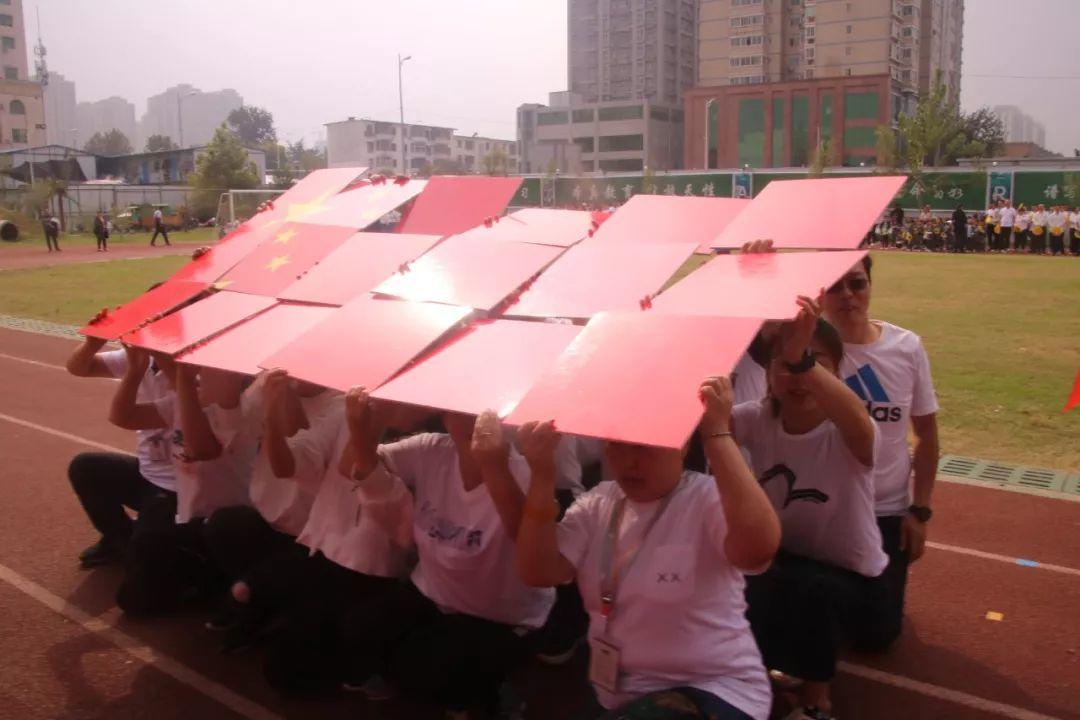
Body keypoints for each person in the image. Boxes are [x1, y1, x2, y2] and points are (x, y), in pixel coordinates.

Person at [500, 380, 779, 720]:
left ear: (681, 442)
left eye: (645, 446)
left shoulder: (706, 498)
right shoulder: (598, 503)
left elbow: (759, 547)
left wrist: (718, 434)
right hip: (618, 691)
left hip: (713, 687)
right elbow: (538, 571)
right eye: (617, 444)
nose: (630, 461)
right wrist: (542, 475)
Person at [313, 390, 555, 718]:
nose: (470, 416)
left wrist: (493, 467)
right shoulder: (432, 449)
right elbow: (350, 467)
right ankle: (437, 682)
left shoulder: (523, 470)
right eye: (459, 407)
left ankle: (490, 696)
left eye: (482, 408)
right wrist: (367, 423)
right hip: (433, 591)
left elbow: (525, 540)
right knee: (360, 628)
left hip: (500, 615)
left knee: (425, 669)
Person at [734, 300, 885, 720]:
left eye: (812, 361)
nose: (795, 375)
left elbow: (856, 417)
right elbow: (705, 425)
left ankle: (817, 699)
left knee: (813, 591)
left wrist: (800, 360)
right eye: (783, 364)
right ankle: (752, 672)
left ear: (835, 371)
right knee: (737, 572)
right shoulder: (757, 418)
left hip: (848, 578)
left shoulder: (849, 430)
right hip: (782, 560)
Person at [821, 256, 939, 654]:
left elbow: (926, 435)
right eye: (835, 287)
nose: (848, 295)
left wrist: (919, 511)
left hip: (885, 509)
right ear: (820, 295)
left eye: (857, 283)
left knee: (876, 638)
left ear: (870, 286)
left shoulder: (905, 347)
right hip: (823, 507)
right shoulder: (803, 351)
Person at [109, 350, 256, 615]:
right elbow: (124, 417)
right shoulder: (187, 399)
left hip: (222, 523)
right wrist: (134, 370)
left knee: (139, 595)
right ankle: (192, 572)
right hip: (190, 515)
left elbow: (202, 449)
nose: (201, 375)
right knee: (136, 588)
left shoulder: (238, 414)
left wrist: (185, 383)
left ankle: (212, 578)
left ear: (237, 380)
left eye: (210, 371)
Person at [201, 369, 342, 640]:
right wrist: (226, 386)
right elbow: (233, 427)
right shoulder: (270, 383)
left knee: (251, 594)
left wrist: (281, 403)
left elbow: (297, 456)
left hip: (315, 539)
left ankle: (262, 600)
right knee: (222, 526)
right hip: (270, 519)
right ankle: (260, 604)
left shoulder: (340, 404)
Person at [65, 336, 178, 567]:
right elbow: (78, 367)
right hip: (149, 473)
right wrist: (93, 343)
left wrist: (136, 371)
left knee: (151, 566)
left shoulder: (195, 373)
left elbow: (124, 417)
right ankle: (120, 540)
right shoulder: (139, 358)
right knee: (86, 468)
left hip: (183, 487)